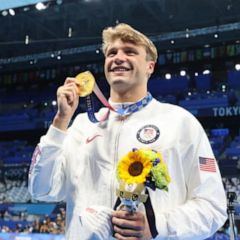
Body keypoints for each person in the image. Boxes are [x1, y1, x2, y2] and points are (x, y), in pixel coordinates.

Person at [28, 23, 227, 240]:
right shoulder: (81, 125)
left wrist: (157, 225)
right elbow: (41, 190)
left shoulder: (180, 122)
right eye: (111, 53)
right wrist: (60, 121)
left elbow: (212, 207)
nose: (118, 57)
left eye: (130, 51)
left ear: (150, 66)